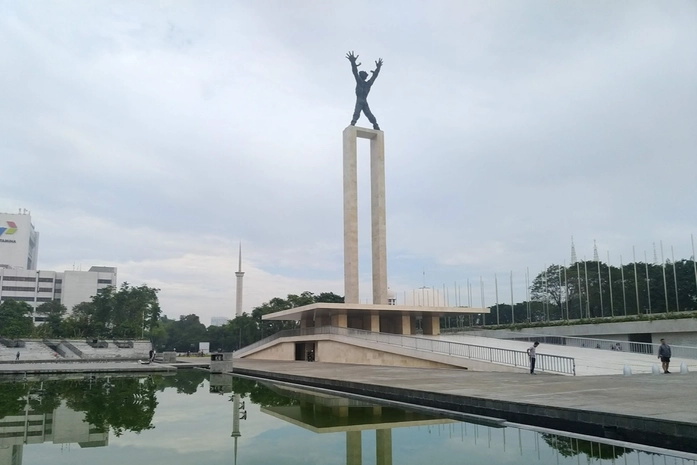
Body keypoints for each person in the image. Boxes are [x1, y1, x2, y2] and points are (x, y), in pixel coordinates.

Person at [346, 51, 383, 130]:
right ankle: (355, 122)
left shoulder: (367, 84)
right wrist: (352, 62)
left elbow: (374, 76)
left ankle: (374, 124)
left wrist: (378, 68)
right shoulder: (362, 82)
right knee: (359, 112)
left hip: (362, 100)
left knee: (366, 114)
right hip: (361, 100)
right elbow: (355, 71)